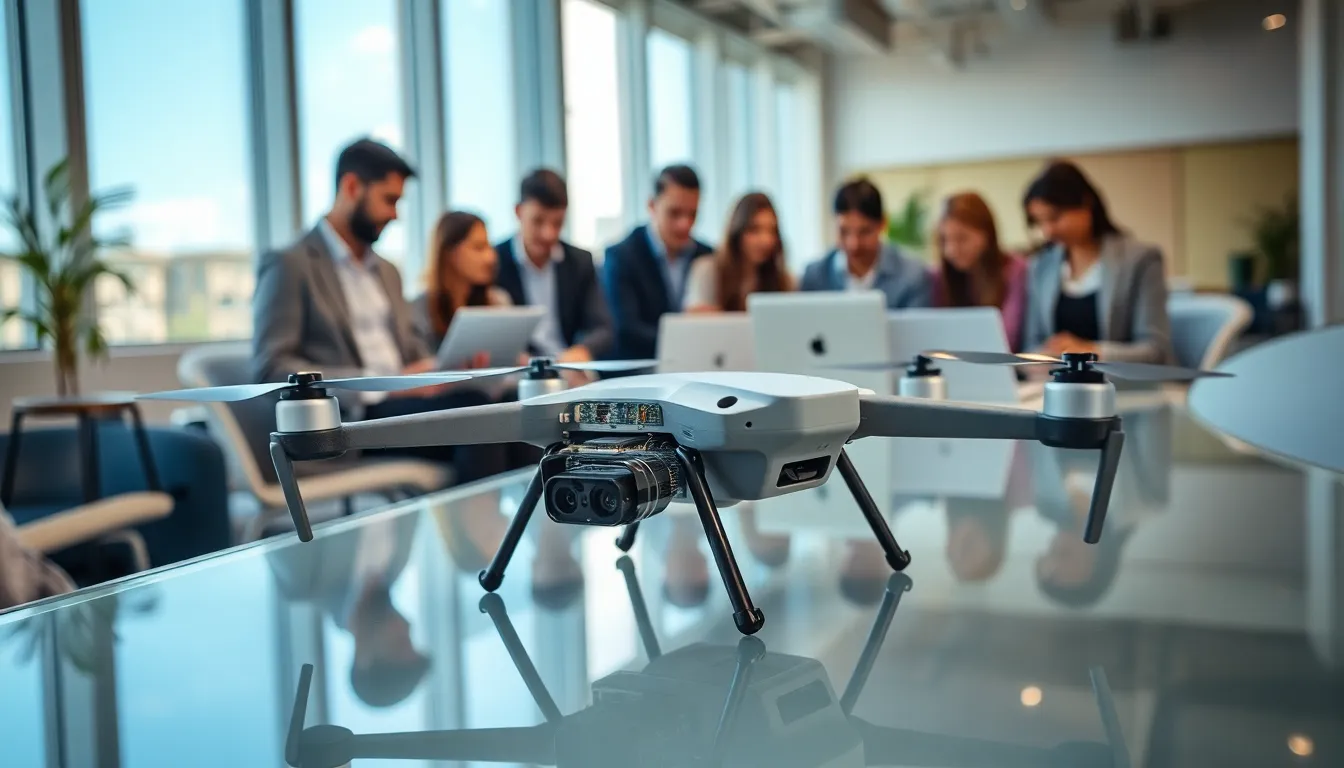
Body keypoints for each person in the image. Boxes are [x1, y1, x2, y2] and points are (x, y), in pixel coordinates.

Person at [251, 138, 504, 483]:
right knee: (478, 413)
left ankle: (513, 531)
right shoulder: (289, 265)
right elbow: (271, 368)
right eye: (389, 200)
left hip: (400, 409)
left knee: (508, 414)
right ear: (352, 186)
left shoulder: (387, 272)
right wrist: (375, 385)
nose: (395, 215)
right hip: (347, 420)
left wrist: (442, 369)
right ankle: (482, 535)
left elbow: (412, 356)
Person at [1020, 160, 1174, 364]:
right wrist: (1042, 357)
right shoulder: (1041, 266)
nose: (1048, 231)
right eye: (1039, 222)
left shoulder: (1140, 260)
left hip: (1126, 388)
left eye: (1055, 217)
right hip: (1059, 386)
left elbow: (1155, 350)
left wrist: (1088, 352)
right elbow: (1032, 343)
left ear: (1085, 203)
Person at [494, 169, 614, 364]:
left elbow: (603, 329)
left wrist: (582, 350)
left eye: (557, 223)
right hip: (517, 372)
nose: (548, 234)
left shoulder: (579, 261)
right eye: (538, 221)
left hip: (568, 366)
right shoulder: (494, 262)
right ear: (518, 212)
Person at [602, 165, 714, 361]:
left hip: (698, 369)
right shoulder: (621, 256)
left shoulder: (707, 256)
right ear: (652, 205)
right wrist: (690, 334)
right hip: (640, 373)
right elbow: (626, 330)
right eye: (675, 213)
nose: (685, 224)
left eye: (692, 214)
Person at [800, 178, 932, 308]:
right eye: (844, 232)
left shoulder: (911, 275)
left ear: (883, 224)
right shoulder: (815, 276)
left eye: (864, 232)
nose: (854, 244)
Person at [931, 192, 1028, 351]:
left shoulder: (1016, 271)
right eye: (944, 240)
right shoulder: (938, 277)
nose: (951, 250)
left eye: (962, 238)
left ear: (987, 235)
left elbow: (1007, 340)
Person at [412, 210, 513, 354]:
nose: (491, 257)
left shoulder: (499, 301)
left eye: (489, 247)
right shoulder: (419, 310)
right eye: (479, 247)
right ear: (449, 252)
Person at [683, 192, 795, 312]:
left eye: (771, 231)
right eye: (754, 230)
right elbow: (695, 319)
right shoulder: (707, 270)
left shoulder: (784, 280)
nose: (766, 240)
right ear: (737, 231)